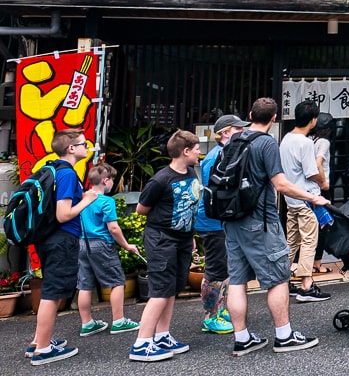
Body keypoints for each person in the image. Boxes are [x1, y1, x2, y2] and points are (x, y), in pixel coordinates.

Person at [225, 97, 329, 356]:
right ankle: (284, 335)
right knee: (278, 278)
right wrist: (312, 197)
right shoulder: (266, 143)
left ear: (250, 113)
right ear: (274, 119)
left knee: (237, 280)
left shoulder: (234, 139)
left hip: (232, 219)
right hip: (259, 221)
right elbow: (280, 184)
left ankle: (242, 338)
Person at [129, 130, 202, 363]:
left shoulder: (190, 172)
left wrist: (189, 235)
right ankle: (141, 343)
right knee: (160, 290)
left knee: (172, 288)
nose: (200, 152)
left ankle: (162, 336)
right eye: (197, 148)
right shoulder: (160, 179)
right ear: (186, 151)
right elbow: (141, 209)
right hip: (161, 239)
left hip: (182, 238)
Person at [27, 129, 98, 366]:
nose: (87, 148)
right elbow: (63, 214)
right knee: (53, 292)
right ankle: (44, 350)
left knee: (50, 288)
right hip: (62, 238)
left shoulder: (52, 168)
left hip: (47, 238)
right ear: (71, 148)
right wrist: (87, 200)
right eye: (84, 144)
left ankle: (38, 342)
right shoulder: (67, 174)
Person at [194, 114, 249, 334]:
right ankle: (210, 317)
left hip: (220, 221)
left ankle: (220, 309)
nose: (242, 132)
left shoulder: (225, 153)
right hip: (212, 222)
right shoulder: (215, 157)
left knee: (224, 269)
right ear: (225, 133)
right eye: (238, 129)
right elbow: (213, 193)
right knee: (215, 271)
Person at [77, 162, 141, 337]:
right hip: (102, 244)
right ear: (105, 180)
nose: (113, 183)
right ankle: (119, 321)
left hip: (83, 243)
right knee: (117, 281)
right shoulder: (106, 201)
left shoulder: (82, 198)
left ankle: (87, 323)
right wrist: (126, 245)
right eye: (112, 179)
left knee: (85, 284)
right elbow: (113, 228)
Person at [279, 100, 329, 302]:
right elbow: (311, 172)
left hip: (291, 199)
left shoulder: (286, 139)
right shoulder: (306, 143)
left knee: (291, 241)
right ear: (313, 120)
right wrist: (323, 181)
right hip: (306, 199)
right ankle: (306, 285)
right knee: (309, 240)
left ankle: (284, 280)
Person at [309, 112, 334, 273]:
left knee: (312, 226)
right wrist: (324, 183)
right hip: (320, 190)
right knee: (323, 226)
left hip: (310, 189)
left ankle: (309, 261)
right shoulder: (323, 142)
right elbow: (318, 163)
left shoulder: (310, 140)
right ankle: (317, 263)